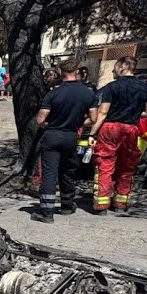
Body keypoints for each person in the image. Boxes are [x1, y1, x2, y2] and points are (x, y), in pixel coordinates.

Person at [88, 55, 147, 214]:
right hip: (131, 128)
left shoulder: (112, 87)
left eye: (115, 67)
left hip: (110, 128)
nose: (113, 70)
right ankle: (120, 204)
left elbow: (103, 112)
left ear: (123, 67)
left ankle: (101, 206)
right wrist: (133, 113)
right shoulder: (146, 88)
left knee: (105, 165)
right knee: (127, 166)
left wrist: (92, 133)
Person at [31, 57, 95, 223]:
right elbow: (93, 118)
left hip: (52, 134)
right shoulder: (87, 93)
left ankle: (47, 212)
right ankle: (67, 205)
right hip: (71, 135)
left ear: (61, 72)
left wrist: (50, 126)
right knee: (68, 170)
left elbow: (40, 119)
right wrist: (78, 122)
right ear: (76, 72)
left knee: (50, 172)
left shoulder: (53, 93)